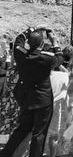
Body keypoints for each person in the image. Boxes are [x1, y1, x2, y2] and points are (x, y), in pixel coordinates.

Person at [0, 27, 64, 157]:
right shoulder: (47, 59)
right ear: (42, 43)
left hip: (26, 98)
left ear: (28, 43)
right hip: (43, 101)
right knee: (39, 134)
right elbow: (60, 58)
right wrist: (55, 42)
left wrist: (33, 28)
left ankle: (5, 153)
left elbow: (18, 40)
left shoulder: (21, 55)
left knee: (22, 129)